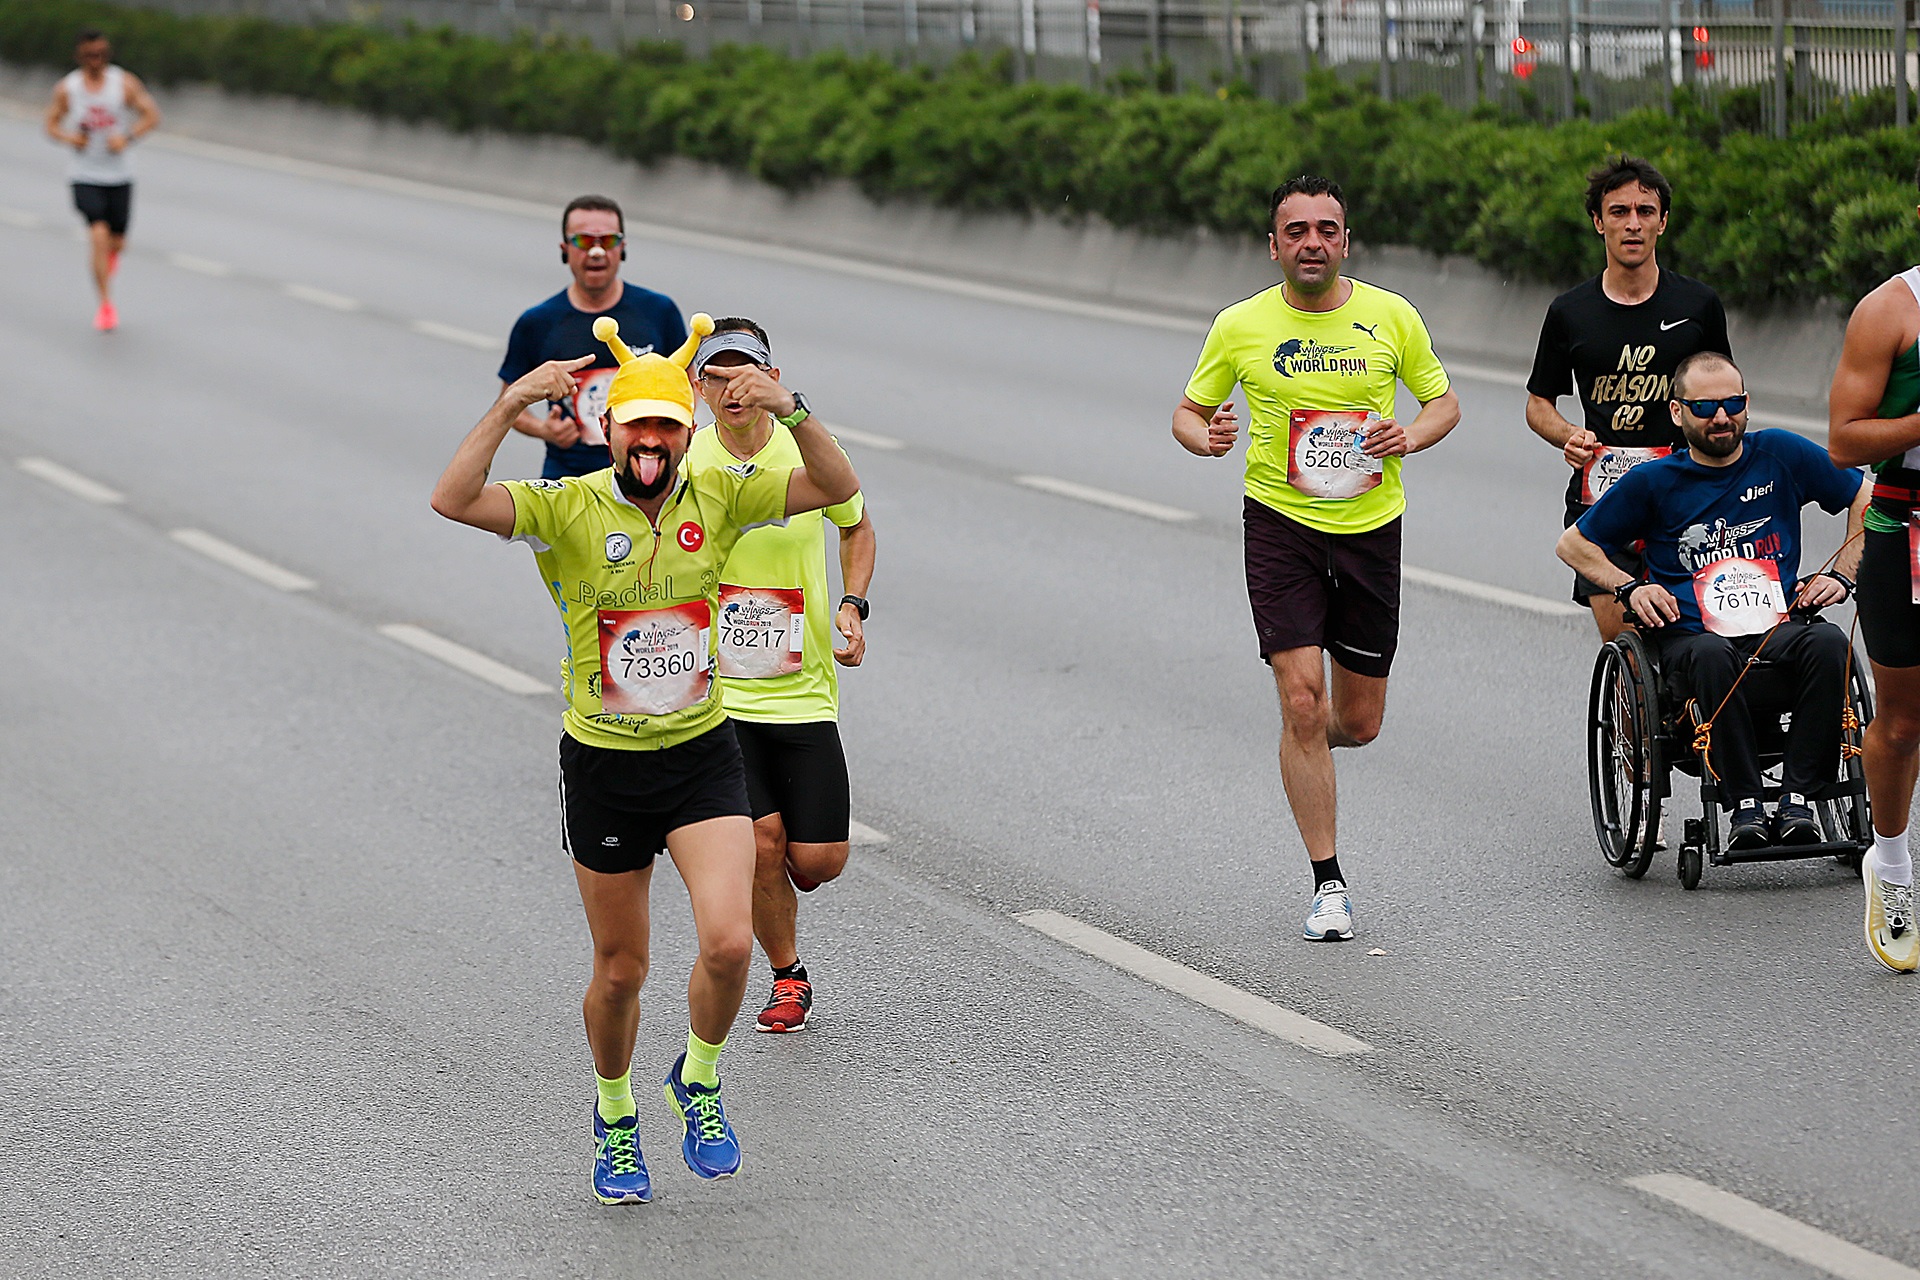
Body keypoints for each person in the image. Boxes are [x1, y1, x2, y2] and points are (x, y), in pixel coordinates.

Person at [430, 312, 858, 1203]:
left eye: (667, 424)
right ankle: (616, 1114)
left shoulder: (721, 496)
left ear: (687, 430)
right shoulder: (569, 505)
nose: (652, 441)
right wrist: (509, 405)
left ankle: (697, 1079)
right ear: (611, 430)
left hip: (701, 755)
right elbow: (454, 498)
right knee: (623, 971)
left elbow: (837, 486)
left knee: (729, 944)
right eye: (636, 426)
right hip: (606, 768)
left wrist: (792, 406)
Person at [1172, 174, 1460, 943]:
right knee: (1303, 700)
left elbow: (1443, 403)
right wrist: (1206, 439)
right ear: (1273, 247)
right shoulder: (1240, 325)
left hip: (1370, 527)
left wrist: (1411, 435)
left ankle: (1303, 744)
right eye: (1296, 231)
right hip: (1280, 526)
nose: (1312, 243)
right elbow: (1187, 413)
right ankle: (1329, 884)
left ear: (1346, 242)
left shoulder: (1392, 316)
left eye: (1326, 230)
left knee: (1357, 724)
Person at [1558, 351, 1868, 853]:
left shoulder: (1780, 453)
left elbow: (1866, 497)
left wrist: (1842, 574)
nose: (1721, 417)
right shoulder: (1654, 481)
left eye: (1733, 404)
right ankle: (1744, 805)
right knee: (1711, 654)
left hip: (1776, 628)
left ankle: (1797, 801)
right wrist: (1630, 587)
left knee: (1830, 643)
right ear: (1678, 412)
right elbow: (1573, 544)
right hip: (1693, 639)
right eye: (1704, 407)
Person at [684, 317, 876, 1033]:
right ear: (698, 387)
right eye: (717, 376)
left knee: (817, 860)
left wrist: (853, 604)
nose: (733, 389)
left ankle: (775, 882)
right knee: (761, 842)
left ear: (770, 379)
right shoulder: (687, 459)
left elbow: (857, 525)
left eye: (746, 374)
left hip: (801, 690)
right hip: (719, 692)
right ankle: (787, 973)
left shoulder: (810, 452)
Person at [1526, 155, 1731, 642]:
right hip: (1604, 500)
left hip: (1686, 493)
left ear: (1663, 221)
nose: (1633, 224)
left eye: (1645, 211)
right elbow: (1538, 404)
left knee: (1699, 641)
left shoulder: (1698, 305)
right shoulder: (1570, 312)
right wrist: (1568, 435)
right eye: (1619, 212)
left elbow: (1726, 396)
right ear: (1599, 222)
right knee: (1627, 646)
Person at [1826, 186, 1920, 972]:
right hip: (1907, 529)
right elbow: (1845, 440)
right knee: (1903, 722)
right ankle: (1890, 866)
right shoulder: (1890, 310)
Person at [498, 195, 688, 479]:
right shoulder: (537, 322)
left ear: (622, 248)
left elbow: (691, 384)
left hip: (648, 472)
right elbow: (508, 401)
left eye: (608, 241)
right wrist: (544, 430)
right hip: (569, 474)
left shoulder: (659, 311)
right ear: (565, 249)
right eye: (584, 241)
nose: (597, 252)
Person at [43, 27, 161, 332]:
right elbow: (50, 124)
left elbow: (151, 115)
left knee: (117, 241)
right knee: (98, 233)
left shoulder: (123, 84)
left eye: (102, 55)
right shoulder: (68, 88)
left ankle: (108, 258)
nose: (96, 60)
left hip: (119, 174)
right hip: (84, 174)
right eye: (90, 55)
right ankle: (106, 304)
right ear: (79, 56)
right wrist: (70, 138)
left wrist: (128, 137)